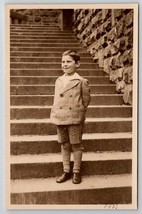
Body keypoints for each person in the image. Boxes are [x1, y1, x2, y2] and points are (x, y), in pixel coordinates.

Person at [50, 50, 91, 184]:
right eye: (63, 62)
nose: (65, 64)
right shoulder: (59, 80)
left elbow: (86, 101)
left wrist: (79, 113)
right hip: (60, 117)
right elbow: (57, 99)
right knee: (64, 144)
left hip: (74, 117)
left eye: (68, 61)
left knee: (76, 144)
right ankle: (66, 170)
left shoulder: (81, 81)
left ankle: (76, 172)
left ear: (77, 64)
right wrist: (56, 112)